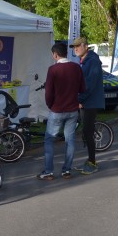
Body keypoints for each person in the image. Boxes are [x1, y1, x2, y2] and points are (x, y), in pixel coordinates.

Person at [38, 41, 85, 180]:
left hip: (57, 110)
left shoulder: (53, 70)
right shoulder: (76, 68)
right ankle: (66, 171)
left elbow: (48, 93)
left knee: (49, 140)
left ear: (55, 54)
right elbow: (82, 89)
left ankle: (48, 171)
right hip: (72, 110)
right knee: (69, 140)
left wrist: (50, 105)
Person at [71, 36, 105, 175]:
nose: (75, 49)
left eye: (78, 46)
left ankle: (92, 162)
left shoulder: (92, 61)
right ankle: (90, 160)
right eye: (74, 47)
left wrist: (80, 99)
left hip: (90, 102)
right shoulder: (85, 61)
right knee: (86, 132)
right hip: (86, 101)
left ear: (86, 46)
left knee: (88, 132)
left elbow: (89, 84)